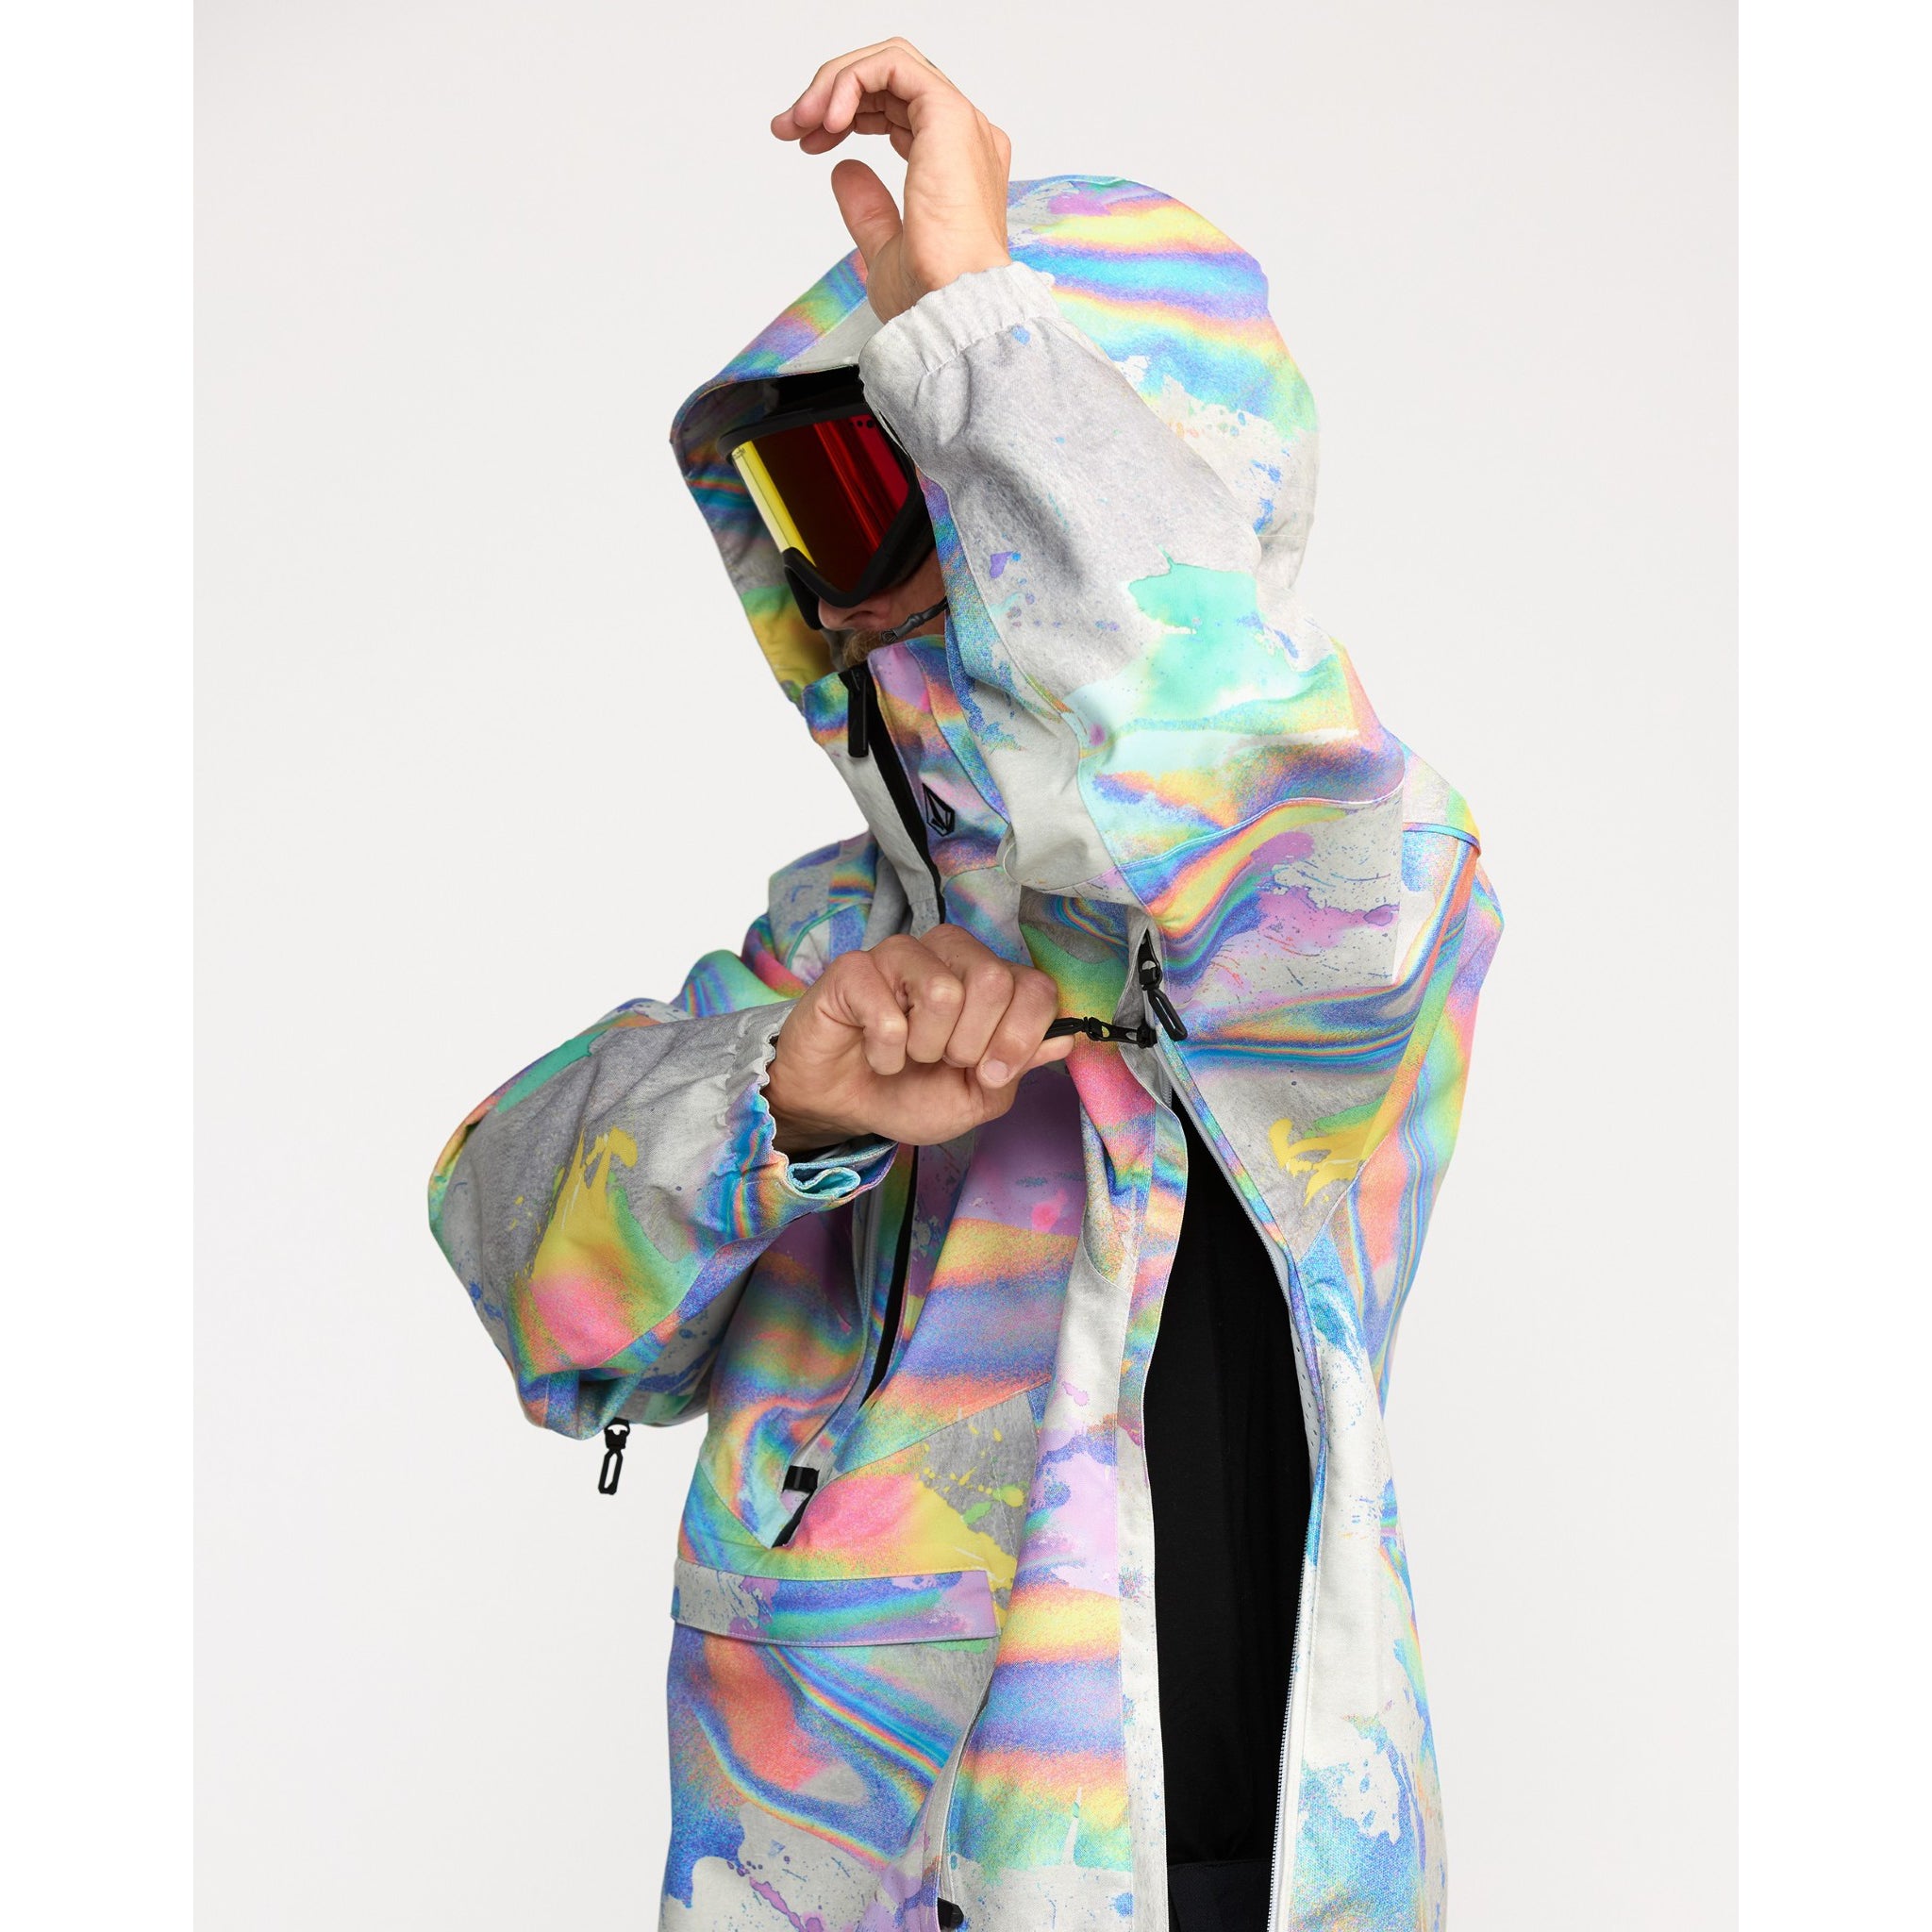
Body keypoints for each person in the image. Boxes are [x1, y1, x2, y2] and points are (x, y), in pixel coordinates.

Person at [428, 37, 1501, 1932]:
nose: (839, 592)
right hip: (833, 1876)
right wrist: (779, 1095)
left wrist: (988, 340)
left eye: (893, 480)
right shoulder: (838, 943)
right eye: (812, 492)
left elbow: (1233, 756)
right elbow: (534, 1272)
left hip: (1213, 1868)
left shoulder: (1354, 907)